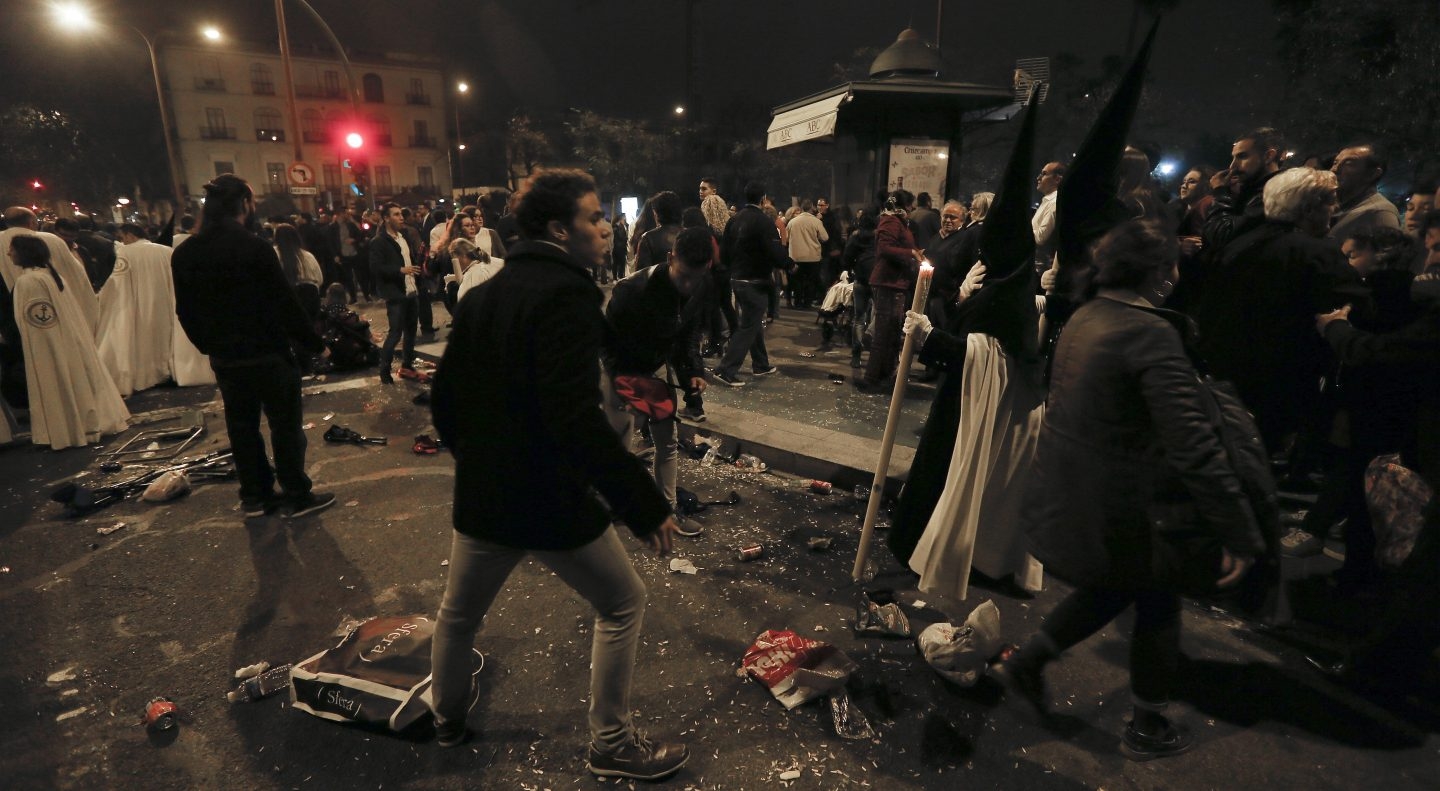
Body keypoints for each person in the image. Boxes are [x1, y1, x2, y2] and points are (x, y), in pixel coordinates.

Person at [428, 168, 687, 780]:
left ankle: (445, 720)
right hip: (548, 500)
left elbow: (444, 396)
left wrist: (477, 457)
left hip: (486, 495)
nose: (604, 227)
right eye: (594, 217)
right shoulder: (566, 297)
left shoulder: (486, 290)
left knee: (458, 615)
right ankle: (612, 743)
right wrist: (643, 502)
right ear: (557, 229)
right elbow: (574, 416)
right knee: (623, 603)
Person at [998, 220, 1265, 761]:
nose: (1176, 275)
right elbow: (1192, 442)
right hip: (1131, 502)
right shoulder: (1149, 331)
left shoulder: (1087, 315)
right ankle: (1147, 723)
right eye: (1171, 264)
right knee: (1158, 597)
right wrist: (1238, 528)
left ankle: (1028, 662)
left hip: (1084, 492)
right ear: (1157, 271)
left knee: (1118, 586)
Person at [171, 174, 333, 519]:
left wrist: (209, 345)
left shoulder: (186, 253)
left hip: (227, 358)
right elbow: (284, 302)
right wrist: (315, 344)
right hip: (268, 353)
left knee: (242, 428)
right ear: (244, 204)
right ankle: (296, 495)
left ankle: (255, 496)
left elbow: (185, 310)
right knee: (285, 427)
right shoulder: (255, 247)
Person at [1195, 167, 1366, 454]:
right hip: (1282, 382)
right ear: (1309, 208)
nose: (1335, 210)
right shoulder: (1316, 252)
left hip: (1225, 374)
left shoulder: (1239, 243)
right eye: (1330, 201)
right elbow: (1356, 307)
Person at [603, 226, 714, 533]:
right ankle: (614, 504)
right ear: (670, 258)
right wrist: (625, 389)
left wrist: (693, 372)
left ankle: (666, 512)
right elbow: (607, 346)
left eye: (697, 277)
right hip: (621, 371)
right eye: (683, 276)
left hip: (654, 371)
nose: (689, 285)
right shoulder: (630, 291)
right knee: (618, 445)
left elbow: (688, 334)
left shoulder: (702, 286)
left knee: (668, 442)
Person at [9, 234, 128, 449]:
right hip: (61, 342)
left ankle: (66, 430)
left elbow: (39, 320)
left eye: (12, 249)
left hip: (46, 345)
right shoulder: (48, 276)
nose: (9, 253)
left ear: (24, 252)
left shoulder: (29, 281)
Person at [712, 182, 787, 387]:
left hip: (737, 278)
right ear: (763, 199)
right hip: (756, 280)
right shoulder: (764, 222)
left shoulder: (734, 220)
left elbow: (724, 251)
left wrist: (731, 268)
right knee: (749, 325)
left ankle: (760, 364)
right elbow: (775, 251)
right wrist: (789, 264)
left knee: (752, 321)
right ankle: (726, 369)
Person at [95, 223, 176, 396]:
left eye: (122, 237)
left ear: (130, 235)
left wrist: (101, 297)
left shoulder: (125, 253)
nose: (122, 242)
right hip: (165, 302)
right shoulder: (166, 251)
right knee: (165, 336)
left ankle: (148, 374)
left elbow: (117, 282)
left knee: (143, 339)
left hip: (137, 305)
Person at [855, 190, 921, 392]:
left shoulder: (897, 221)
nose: (912, 209)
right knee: (884, 333)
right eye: (911, 205)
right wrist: (910, 253)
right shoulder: (891, 221)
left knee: (891, 332)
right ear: (904, 204)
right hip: (888, 283)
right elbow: (884, 248)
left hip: (895, 283)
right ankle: (872, 378)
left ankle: (884, 375)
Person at [370, 203, 426, 385]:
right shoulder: (379, 241)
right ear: (386, 218)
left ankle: (407, 365)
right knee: (395, 333)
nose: (401, 217)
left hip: (411, 290)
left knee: (411, 332)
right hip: (396, 294)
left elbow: (410, 260)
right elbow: (376, 268)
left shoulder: (404, 237)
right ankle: (384, 371)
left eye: (401, 214)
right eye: (396, 214)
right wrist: (400, 270)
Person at [1328, 143, 1401, 240]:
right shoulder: (1334, 203)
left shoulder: (1380, 214)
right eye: (1335, 162)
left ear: (1372, 174)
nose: (1334, 169)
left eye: (1349, 164)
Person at [785, 200, 828, 309]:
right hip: (812, 256)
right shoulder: (816, 221)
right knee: (810, 281)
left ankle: (798, 302)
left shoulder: (792, 222)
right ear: (811, 208)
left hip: (795, 256)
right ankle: (807, 303)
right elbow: (825, 237)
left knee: (797, 281)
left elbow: (785, 238)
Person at [1032, 162, 1065, 268]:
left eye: (1044, 174)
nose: (1038, 178)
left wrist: (1021, 230)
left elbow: (1040, 238)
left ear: (1057, 179)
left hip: (1041, 267)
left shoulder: (1054, 202)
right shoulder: (1048, 201)